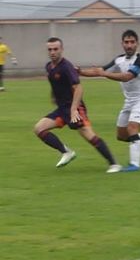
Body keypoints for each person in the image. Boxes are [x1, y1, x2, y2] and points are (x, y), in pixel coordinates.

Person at [33, 37, 121, 173]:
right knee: (39, 129)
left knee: (88, 135)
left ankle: (114, 164)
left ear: (61, 49)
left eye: (55, 49)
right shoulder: (49, 67)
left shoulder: (66, 67)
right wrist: (54, 96)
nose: (52, 52)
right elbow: (55, 83)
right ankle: (66, 152)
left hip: (75, 108)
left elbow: (79, 88)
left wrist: (74, 109)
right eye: (50, 49)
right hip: (62, 110)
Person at [79, 30, 140, 172]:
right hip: (129, 101)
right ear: (122, 44)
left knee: (132, 129)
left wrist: (105, 74)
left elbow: (127, 76)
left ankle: (135, 165)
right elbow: (99, 70)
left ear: (137, 44)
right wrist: (79, 72)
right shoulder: (119, 60)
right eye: (126, 42)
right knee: (122, 135)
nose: (129, 45)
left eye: (132, 42)